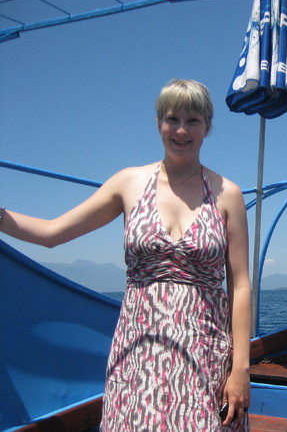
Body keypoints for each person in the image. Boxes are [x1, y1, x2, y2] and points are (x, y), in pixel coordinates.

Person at [0, 79, 251, 431]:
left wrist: (241, 369)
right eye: (172, 118)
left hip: (204, 349)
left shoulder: (229, 195)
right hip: (138, 350)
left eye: (193, 120)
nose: (181, 130)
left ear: (208, 126)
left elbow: (240, 286)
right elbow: (52, 233)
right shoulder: (128, 183)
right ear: (158, 123)